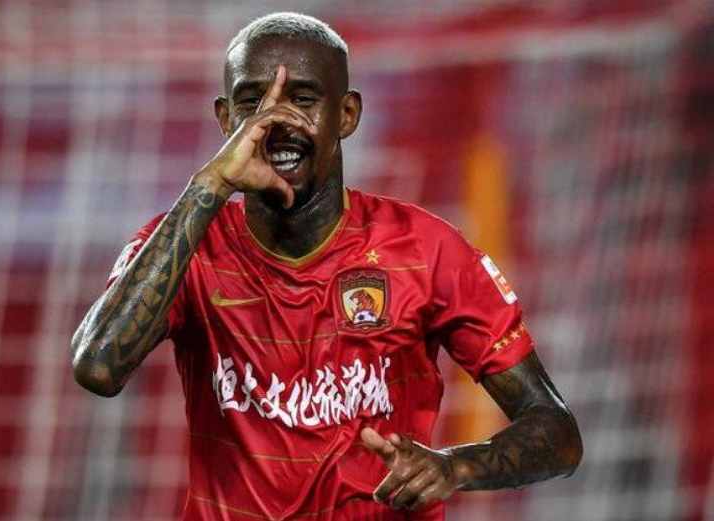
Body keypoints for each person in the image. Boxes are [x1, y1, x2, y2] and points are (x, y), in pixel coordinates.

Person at [71, 12, 582, 520]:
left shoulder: (427, 251)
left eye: (303, 99)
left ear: (347, 115)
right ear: (225, 120)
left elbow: (556, 432)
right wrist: (210, 185)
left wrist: (454, 466)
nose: (276, 123)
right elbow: (98, 366)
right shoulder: (183, 244)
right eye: (252, 103)